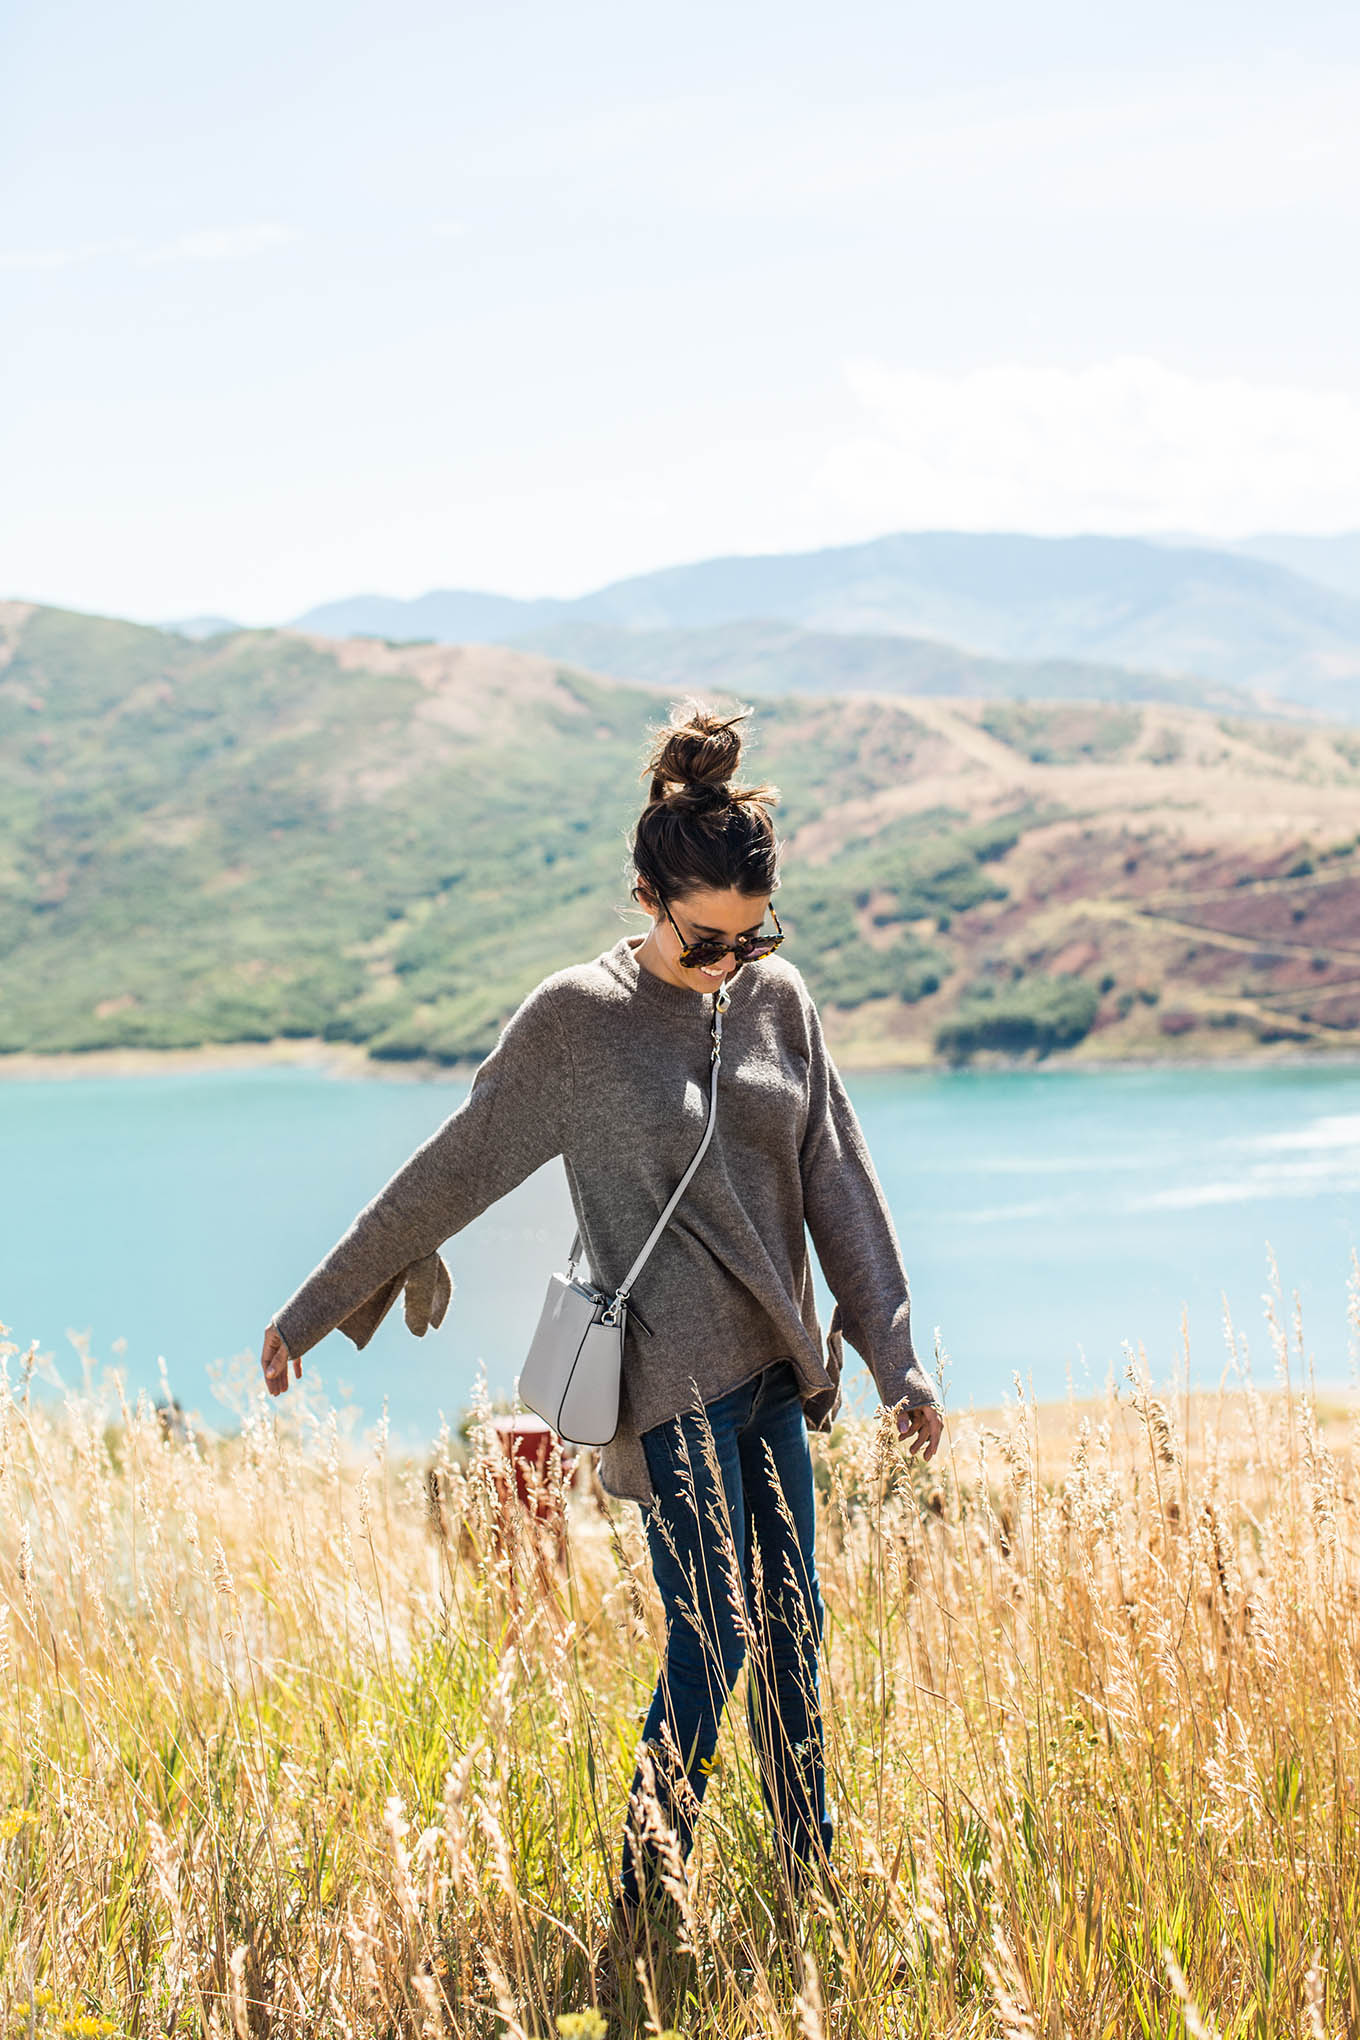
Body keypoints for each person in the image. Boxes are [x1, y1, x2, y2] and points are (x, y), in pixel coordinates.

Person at [259, 696, 943, 1991]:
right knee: (717, 1640)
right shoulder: (577, 1022)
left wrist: (895, 1357)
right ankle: (645, 1914)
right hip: (668, 1384)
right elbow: (449, 1170)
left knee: (794, 1633)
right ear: (646, 895)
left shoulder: (780, 1005)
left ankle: (811, 1899)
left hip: (773, 1374)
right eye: (702, 937)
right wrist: (310, 1311)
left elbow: (839, 1180)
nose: (729, 961)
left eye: (754, 938)